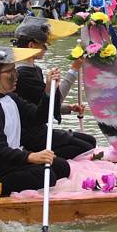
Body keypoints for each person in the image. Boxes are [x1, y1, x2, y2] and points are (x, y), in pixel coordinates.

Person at [0, 46, 69, 197]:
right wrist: (30, 157)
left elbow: (37, 117)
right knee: (46, 176)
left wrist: (48, 91)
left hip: (8, 159)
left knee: (61, 166)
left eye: (15, 70)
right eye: (10, 72)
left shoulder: (11, 98)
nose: (16, 76)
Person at [12, 19, 96, 159]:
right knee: (86, 147)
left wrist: (68, 108)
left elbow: (42, 103)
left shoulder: (34, 69)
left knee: (90, 140)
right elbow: (49, 104)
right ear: (31, 45)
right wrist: (73, 71)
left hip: (39, 128)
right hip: (31, 135)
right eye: (43, 45)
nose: (46, 48)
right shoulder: (24, 74)